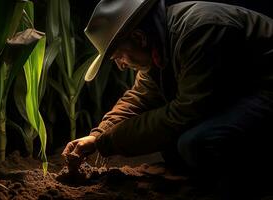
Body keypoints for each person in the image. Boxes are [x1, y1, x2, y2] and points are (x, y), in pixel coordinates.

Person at [62, 0, 273, 199]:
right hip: (244, 93)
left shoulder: (199, 31)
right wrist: (97, 135)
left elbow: (184, 114)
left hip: (266, 87)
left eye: (119, 56)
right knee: (174, 147)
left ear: (139, 38)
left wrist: (105, 142)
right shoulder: (159, 47)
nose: (121, 65)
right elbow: (140, 98)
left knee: (198, 143)